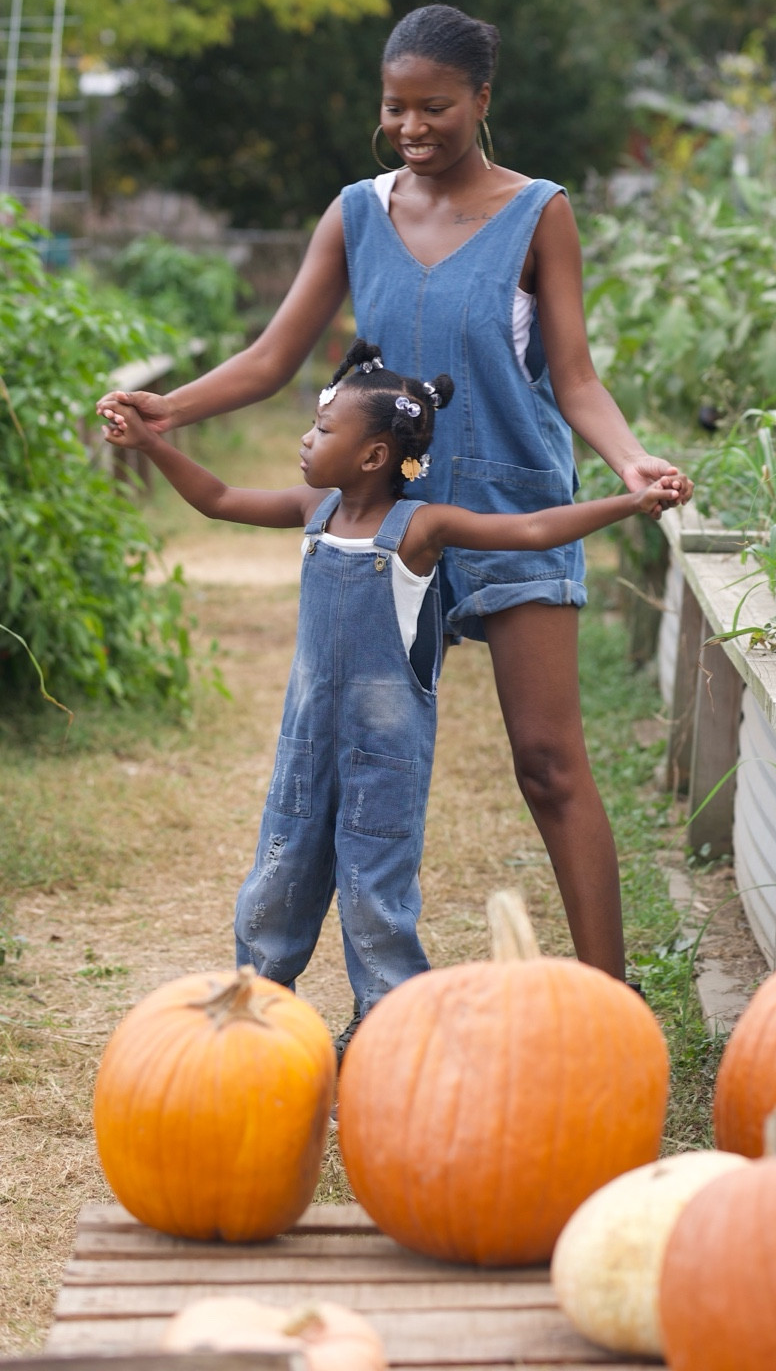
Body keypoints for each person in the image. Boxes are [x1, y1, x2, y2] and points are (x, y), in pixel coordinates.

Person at [98, 3, 691, 984]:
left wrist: (629, 459)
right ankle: (323, 975)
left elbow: (575, 376)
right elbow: (269, 356)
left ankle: (610, 997)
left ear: (481, 100)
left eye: (436, 107)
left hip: (509, 502)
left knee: (548, 762)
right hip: (378, 523)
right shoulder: (356, 211)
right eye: (396, 107)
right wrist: (170, 407)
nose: (413, 127)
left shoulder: (538, 211)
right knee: (345, 765)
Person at [101, 338, 679, 1049]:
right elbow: (218, 499)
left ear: (374, 455)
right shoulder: (315, 509)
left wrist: (629, 500)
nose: (306, 441)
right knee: (277, 878)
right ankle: (251, 1010)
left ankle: (388, 1031)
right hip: (306, 745)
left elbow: (529, 530)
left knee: (376, 896)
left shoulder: (420, 529)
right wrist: (154, 445)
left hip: (386, 759)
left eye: (322, 431)